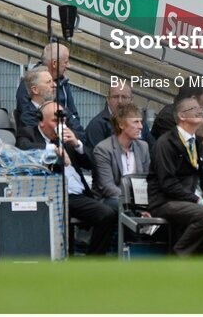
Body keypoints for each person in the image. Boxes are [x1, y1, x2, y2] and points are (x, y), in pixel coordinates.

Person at [18, 101, 117, 254]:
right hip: (53, 193)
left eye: (63, 121)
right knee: (103, 214)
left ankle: (94, 260)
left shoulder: (68, 138)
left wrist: (77, 144)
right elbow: (23, 148)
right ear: (41, 121)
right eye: (55, 120)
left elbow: (92, 164)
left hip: (79, 194)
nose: (61, 125)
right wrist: (54, 150)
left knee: (109, 213)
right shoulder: (29, 133)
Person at [147, 94, 203, 256]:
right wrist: (201, 202)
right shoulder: (165, 143)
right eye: (194, 110)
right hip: (165, 201)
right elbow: (168, 184)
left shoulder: (198, 143)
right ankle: (177, 257)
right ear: (182, 116)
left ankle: (199, 259)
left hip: (191, 201)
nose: (200, 111)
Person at [92, 102, 151, 208]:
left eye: (141, 122)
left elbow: (148, 179)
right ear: (121, 125)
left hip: (138, 200)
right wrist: (133, 202)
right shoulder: (103, 149)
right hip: (110, 200)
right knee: (122, 206)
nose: (141, 126)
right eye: (136, 122)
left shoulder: (143, 147)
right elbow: (107, 187)